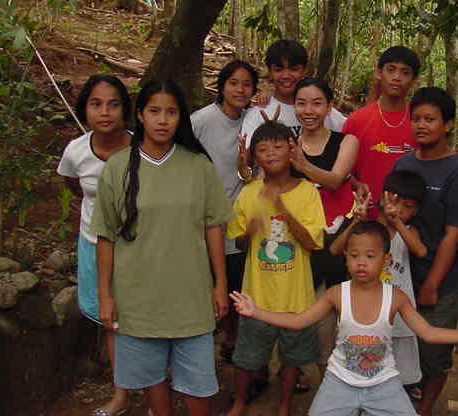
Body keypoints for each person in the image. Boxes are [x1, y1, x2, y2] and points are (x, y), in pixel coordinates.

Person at [230, 221, 458, 416]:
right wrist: (257, 312)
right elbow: (299, 321)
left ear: (386, 260)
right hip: (339, 381)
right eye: (354, 256)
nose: (361, 262)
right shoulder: (336, 294)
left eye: (370, 256)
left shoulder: (396, 298)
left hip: (384, 383)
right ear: (346, 259)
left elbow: (428, 333)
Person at [91, 80, 233, 416]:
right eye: (154, 111)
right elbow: (105, 236)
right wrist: (105, 296)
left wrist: (220, 285)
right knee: (151, 377)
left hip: (191, 296)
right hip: (138, 299)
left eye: (171, 112)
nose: (163, 120)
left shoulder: (198, 166)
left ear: (181, 117)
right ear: (140, 115)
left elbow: (214, 227)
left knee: (198, 383)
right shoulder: (117, 167)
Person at [225, 121, 326, 416]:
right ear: (254, 157)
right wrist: (250, 231)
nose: (271, 153)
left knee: (291, 360)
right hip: (256, 297)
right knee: (245, 358)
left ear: (292, 151)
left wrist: (281, 208)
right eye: (262, 149)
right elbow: (241, 243)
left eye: (278, 146)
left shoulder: (308, 192)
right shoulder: (248, 193)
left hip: (296, 299)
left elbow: (312, 243)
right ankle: (239, 403)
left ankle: (284, 406)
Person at [392, 87, 458, 416]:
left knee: (432, 349)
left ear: (448, 124)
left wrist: (432, 285)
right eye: (416, 119)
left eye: (430, 119)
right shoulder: (404, 162)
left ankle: (424, 409)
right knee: (398, 342)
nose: (421, 125)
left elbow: (453, 235)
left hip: (443, 276)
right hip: (401, 274)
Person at [57, 75, 132, 416]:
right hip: (94, 244)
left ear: (125, 110)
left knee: (146, 315)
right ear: (84, 109)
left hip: (139, 248)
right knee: (110, 320)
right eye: (96, 104)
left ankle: (156, 386)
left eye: (113, 104)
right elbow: (74, 185)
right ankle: (121, 395)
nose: (105, 112)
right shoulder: (75, 151)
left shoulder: (143, 148)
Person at [329, 170, 428, 400]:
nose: (398, 209)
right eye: (394, 201)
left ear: (416, 211)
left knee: (398, 375)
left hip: (400, 317)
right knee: (362, 367)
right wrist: (356, 221)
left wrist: (396, 221)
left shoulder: (408, 232)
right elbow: (334, 250)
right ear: (382, 197)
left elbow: (420, 251)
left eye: (407, 206)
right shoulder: (367, 230)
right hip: (364, 317)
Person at [289, 77, 359, 377]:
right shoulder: (287, 141)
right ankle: (318, 381)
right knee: (311, 321)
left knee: (341, 320)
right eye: (301, 103)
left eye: (317, 103)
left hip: (339, 242)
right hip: (300, 242)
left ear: (329, 107)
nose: (309, 110)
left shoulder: (346, 141)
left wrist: (303, 166)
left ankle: (347, 381)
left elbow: (335, 179)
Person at [191, 60, 259, 362]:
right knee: (205, 285)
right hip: (204, 219)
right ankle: (200, 343)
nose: (240, 90)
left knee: (235, 285)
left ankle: (231, 343)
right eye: (233, 83)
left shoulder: (253, 119)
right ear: (221, 86)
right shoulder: (202, 120)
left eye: (247, 84)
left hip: (239, 220)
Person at [342, 46, 420, 218]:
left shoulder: (420, 123)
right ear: (378, 73)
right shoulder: (356, 121)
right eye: (391, 70)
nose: (397, 77)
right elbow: (342, 172)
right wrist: (356, 185)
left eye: (405, 72)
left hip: (410, 224)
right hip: (364, 218)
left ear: (414, 79)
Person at [240, 40, 345, 148]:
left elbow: (349, 134)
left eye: (294, 69)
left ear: (305, 70)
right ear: (270, 71)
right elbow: (246, 155)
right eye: (278, 70)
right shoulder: (258, 113)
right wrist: (267, 131)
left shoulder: (323, 111)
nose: (286, 75)